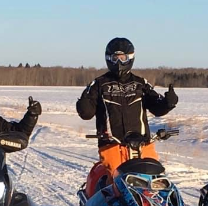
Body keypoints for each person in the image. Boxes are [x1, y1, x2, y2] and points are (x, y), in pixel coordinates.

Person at [76, 37, 178, 185]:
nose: (118, 62)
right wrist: (84, 103)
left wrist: (168, 103)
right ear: (108, 59)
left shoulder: (140, 83)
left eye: (122, 58)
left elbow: (157, 108)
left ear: (130, 58)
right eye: (115, 58)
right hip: (112, 144)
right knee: (115, 184)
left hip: (143, 144)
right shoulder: (99, 84)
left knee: (153, 181)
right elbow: (87, 114)